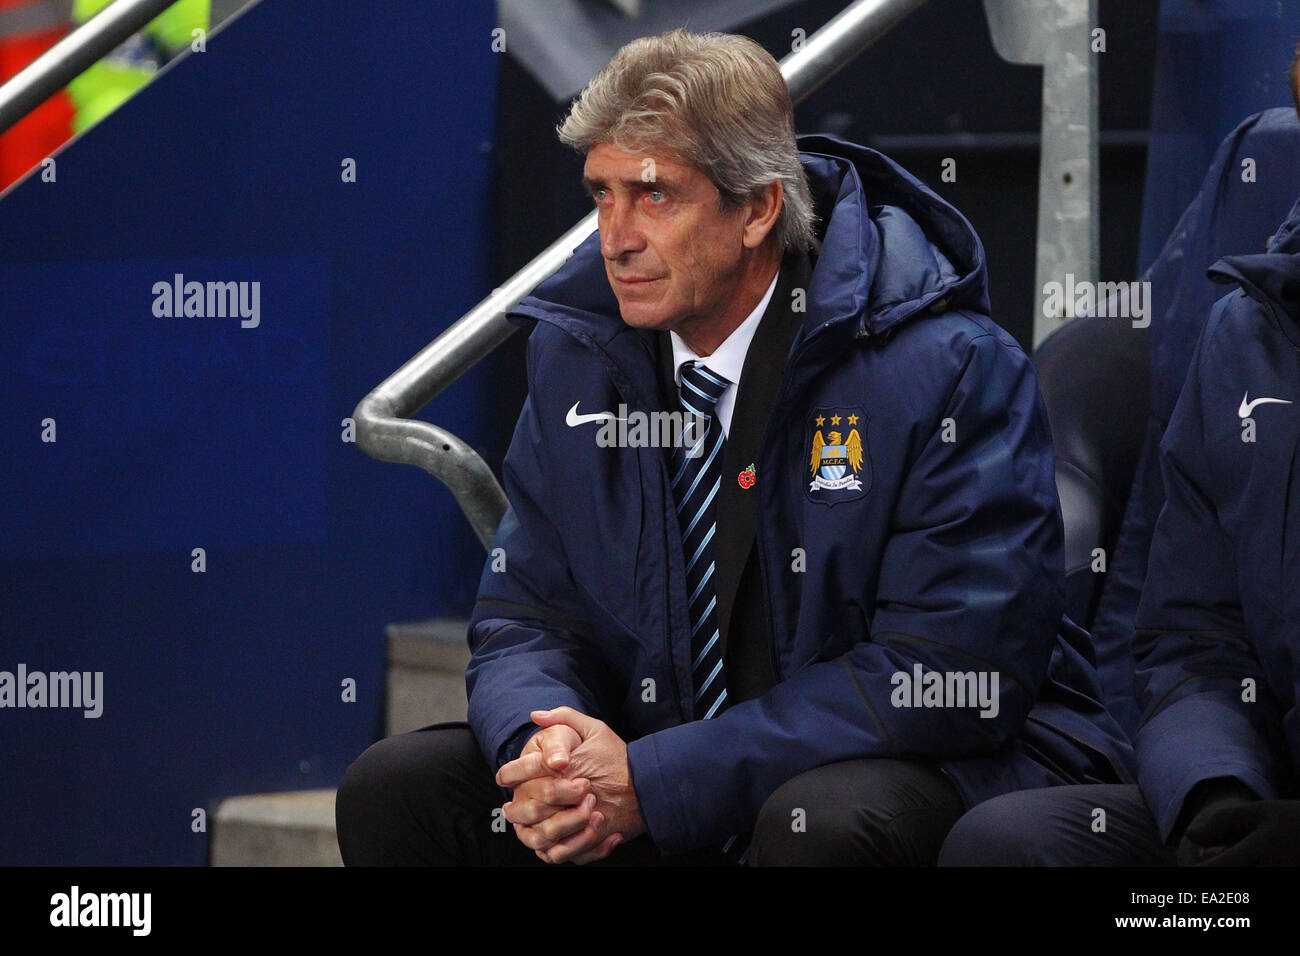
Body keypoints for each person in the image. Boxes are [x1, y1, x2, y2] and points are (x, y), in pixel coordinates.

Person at [335, 27, 1133, 866]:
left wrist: (666, 777)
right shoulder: (577, 353)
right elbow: (528, 614)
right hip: (656, 760)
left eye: (655, 197)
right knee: (403, 785)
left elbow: (946, 670)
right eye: (601, 195)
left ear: (757, 209)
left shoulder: (948, 367)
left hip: (925, 770)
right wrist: (546, 757)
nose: (616, 237)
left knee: (816, 820)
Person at [938, 45, 1300, 868]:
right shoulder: (1246, 334)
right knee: (1009, 846)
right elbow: (1192, 638)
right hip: (1266, 799)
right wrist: (1217, 790)